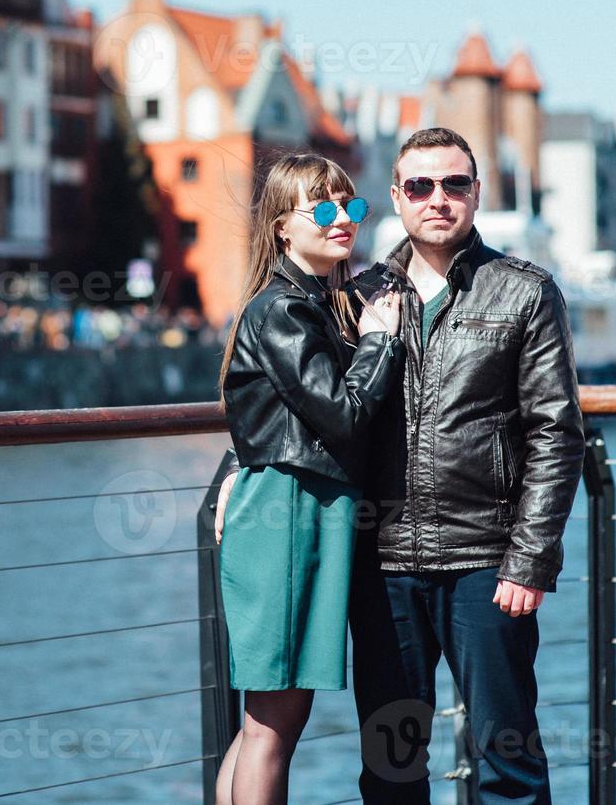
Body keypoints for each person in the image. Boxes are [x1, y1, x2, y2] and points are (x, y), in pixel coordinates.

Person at [349, 127, 585, 803]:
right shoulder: (358, 296)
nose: (438, 199)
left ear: (477, 193)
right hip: (383, 565)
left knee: (506, 762)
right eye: (420, 186)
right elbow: (316, 416)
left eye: (455, 184)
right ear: (396, 197)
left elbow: (555, 431)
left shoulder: (525, 293)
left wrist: (531, 558)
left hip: (487, 564)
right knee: (391, 766)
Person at [213, 152, 405, 805]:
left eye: (350, 205)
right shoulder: (283, 312)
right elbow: (345, 417)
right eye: (322, 209)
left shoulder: (318, 303)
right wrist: (382, 342)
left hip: (302, 512)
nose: (342, 219)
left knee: (265, 722)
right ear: (282, 228)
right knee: (274, 722)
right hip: (288, 516)